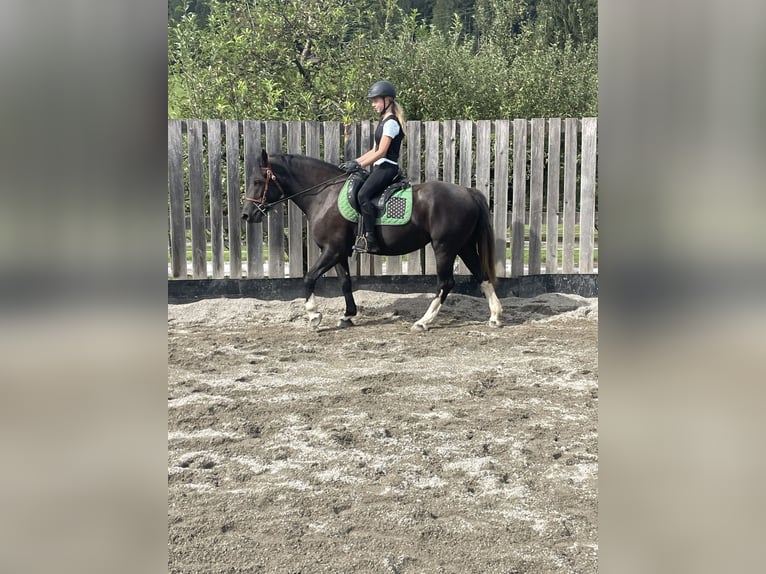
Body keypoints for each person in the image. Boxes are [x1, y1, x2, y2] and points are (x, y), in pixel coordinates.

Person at [339, 80, 406, 254]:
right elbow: (374, 150)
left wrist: (360, 164)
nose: (373, 104)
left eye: (376, 100)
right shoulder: (385, 121)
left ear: (388, 100)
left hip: (387, 168)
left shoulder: (391, 123)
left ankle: (371, 239)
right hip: (379, 168)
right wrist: (355, 162)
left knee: (362, 195)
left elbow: (382, 152)